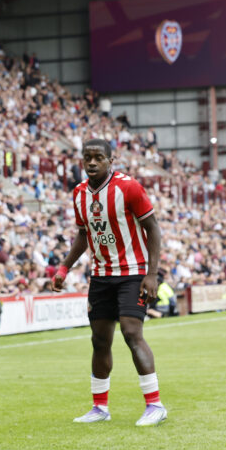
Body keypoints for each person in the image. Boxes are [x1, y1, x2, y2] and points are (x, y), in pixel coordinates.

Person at [52, 138, 167, 427]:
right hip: (101, 276)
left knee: (131, 333)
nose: (92, 162)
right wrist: (65, 267)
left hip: (133, 273)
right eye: (87, 157)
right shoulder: (79, 193)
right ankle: (99, 407)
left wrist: (152, 274)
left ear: (110, 161)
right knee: (100, 340)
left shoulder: (129, 187)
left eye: (98, 158)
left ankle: (155, 405)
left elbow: (152, 228)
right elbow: (83, 235)